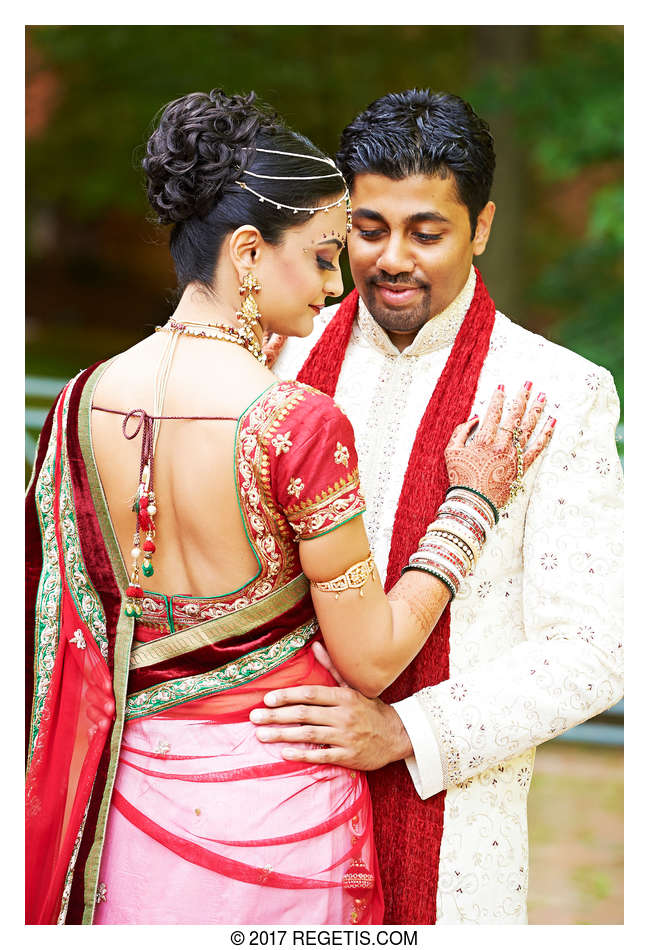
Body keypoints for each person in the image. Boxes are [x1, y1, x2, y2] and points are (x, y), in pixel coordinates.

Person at [24, 89, 552, 926]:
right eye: (320, 255)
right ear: (245, 252)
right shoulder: (291, 420)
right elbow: (372, 660)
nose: (337, 283)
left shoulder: (82, 400)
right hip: (276, 815)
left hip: (130, 803)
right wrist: (468, 508)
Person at [261, 89, 624, 925]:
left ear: (482, 228)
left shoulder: (556, 392)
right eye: (368, 228)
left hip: (457, 836)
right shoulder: (276, 359)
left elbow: (593, 650)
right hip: (267, 808)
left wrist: (405, 732)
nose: (393, 258)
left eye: (427, 233)